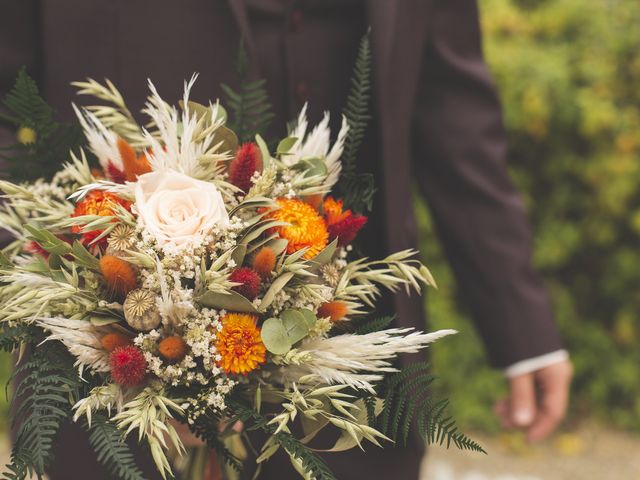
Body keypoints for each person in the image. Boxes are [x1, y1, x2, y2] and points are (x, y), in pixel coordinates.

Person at [0, 0, 573, 479]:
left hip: (361, 361)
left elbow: (450, 106)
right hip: (114, 363)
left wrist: (520, 322)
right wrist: (58, 292)